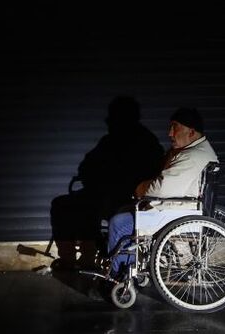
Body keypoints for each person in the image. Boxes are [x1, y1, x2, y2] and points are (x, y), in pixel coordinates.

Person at [49, 96, 163, 271]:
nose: (108, 121)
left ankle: (88, 258)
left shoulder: (145, 142)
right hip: (103, 192)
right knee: (61, 204)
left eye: (112, 117)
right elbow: (86, 165)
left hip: (128, 199)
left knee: (88, 207)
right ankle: (68, 258)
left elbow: (147, 176)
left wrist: (106, 178)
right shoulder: (110, 140)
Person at [106, 107, 218, 275]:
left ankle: (118, 276)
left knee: (118, 223)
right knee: (123, 211)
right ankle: (128, 266)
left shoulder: (192, 156)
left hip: (174, 213)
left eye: (175, 127)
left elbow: (160, 188)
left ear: (191, 132)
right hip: (177, 207)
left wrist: (140, 188)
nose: (170, 133)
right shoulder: (192, 151)